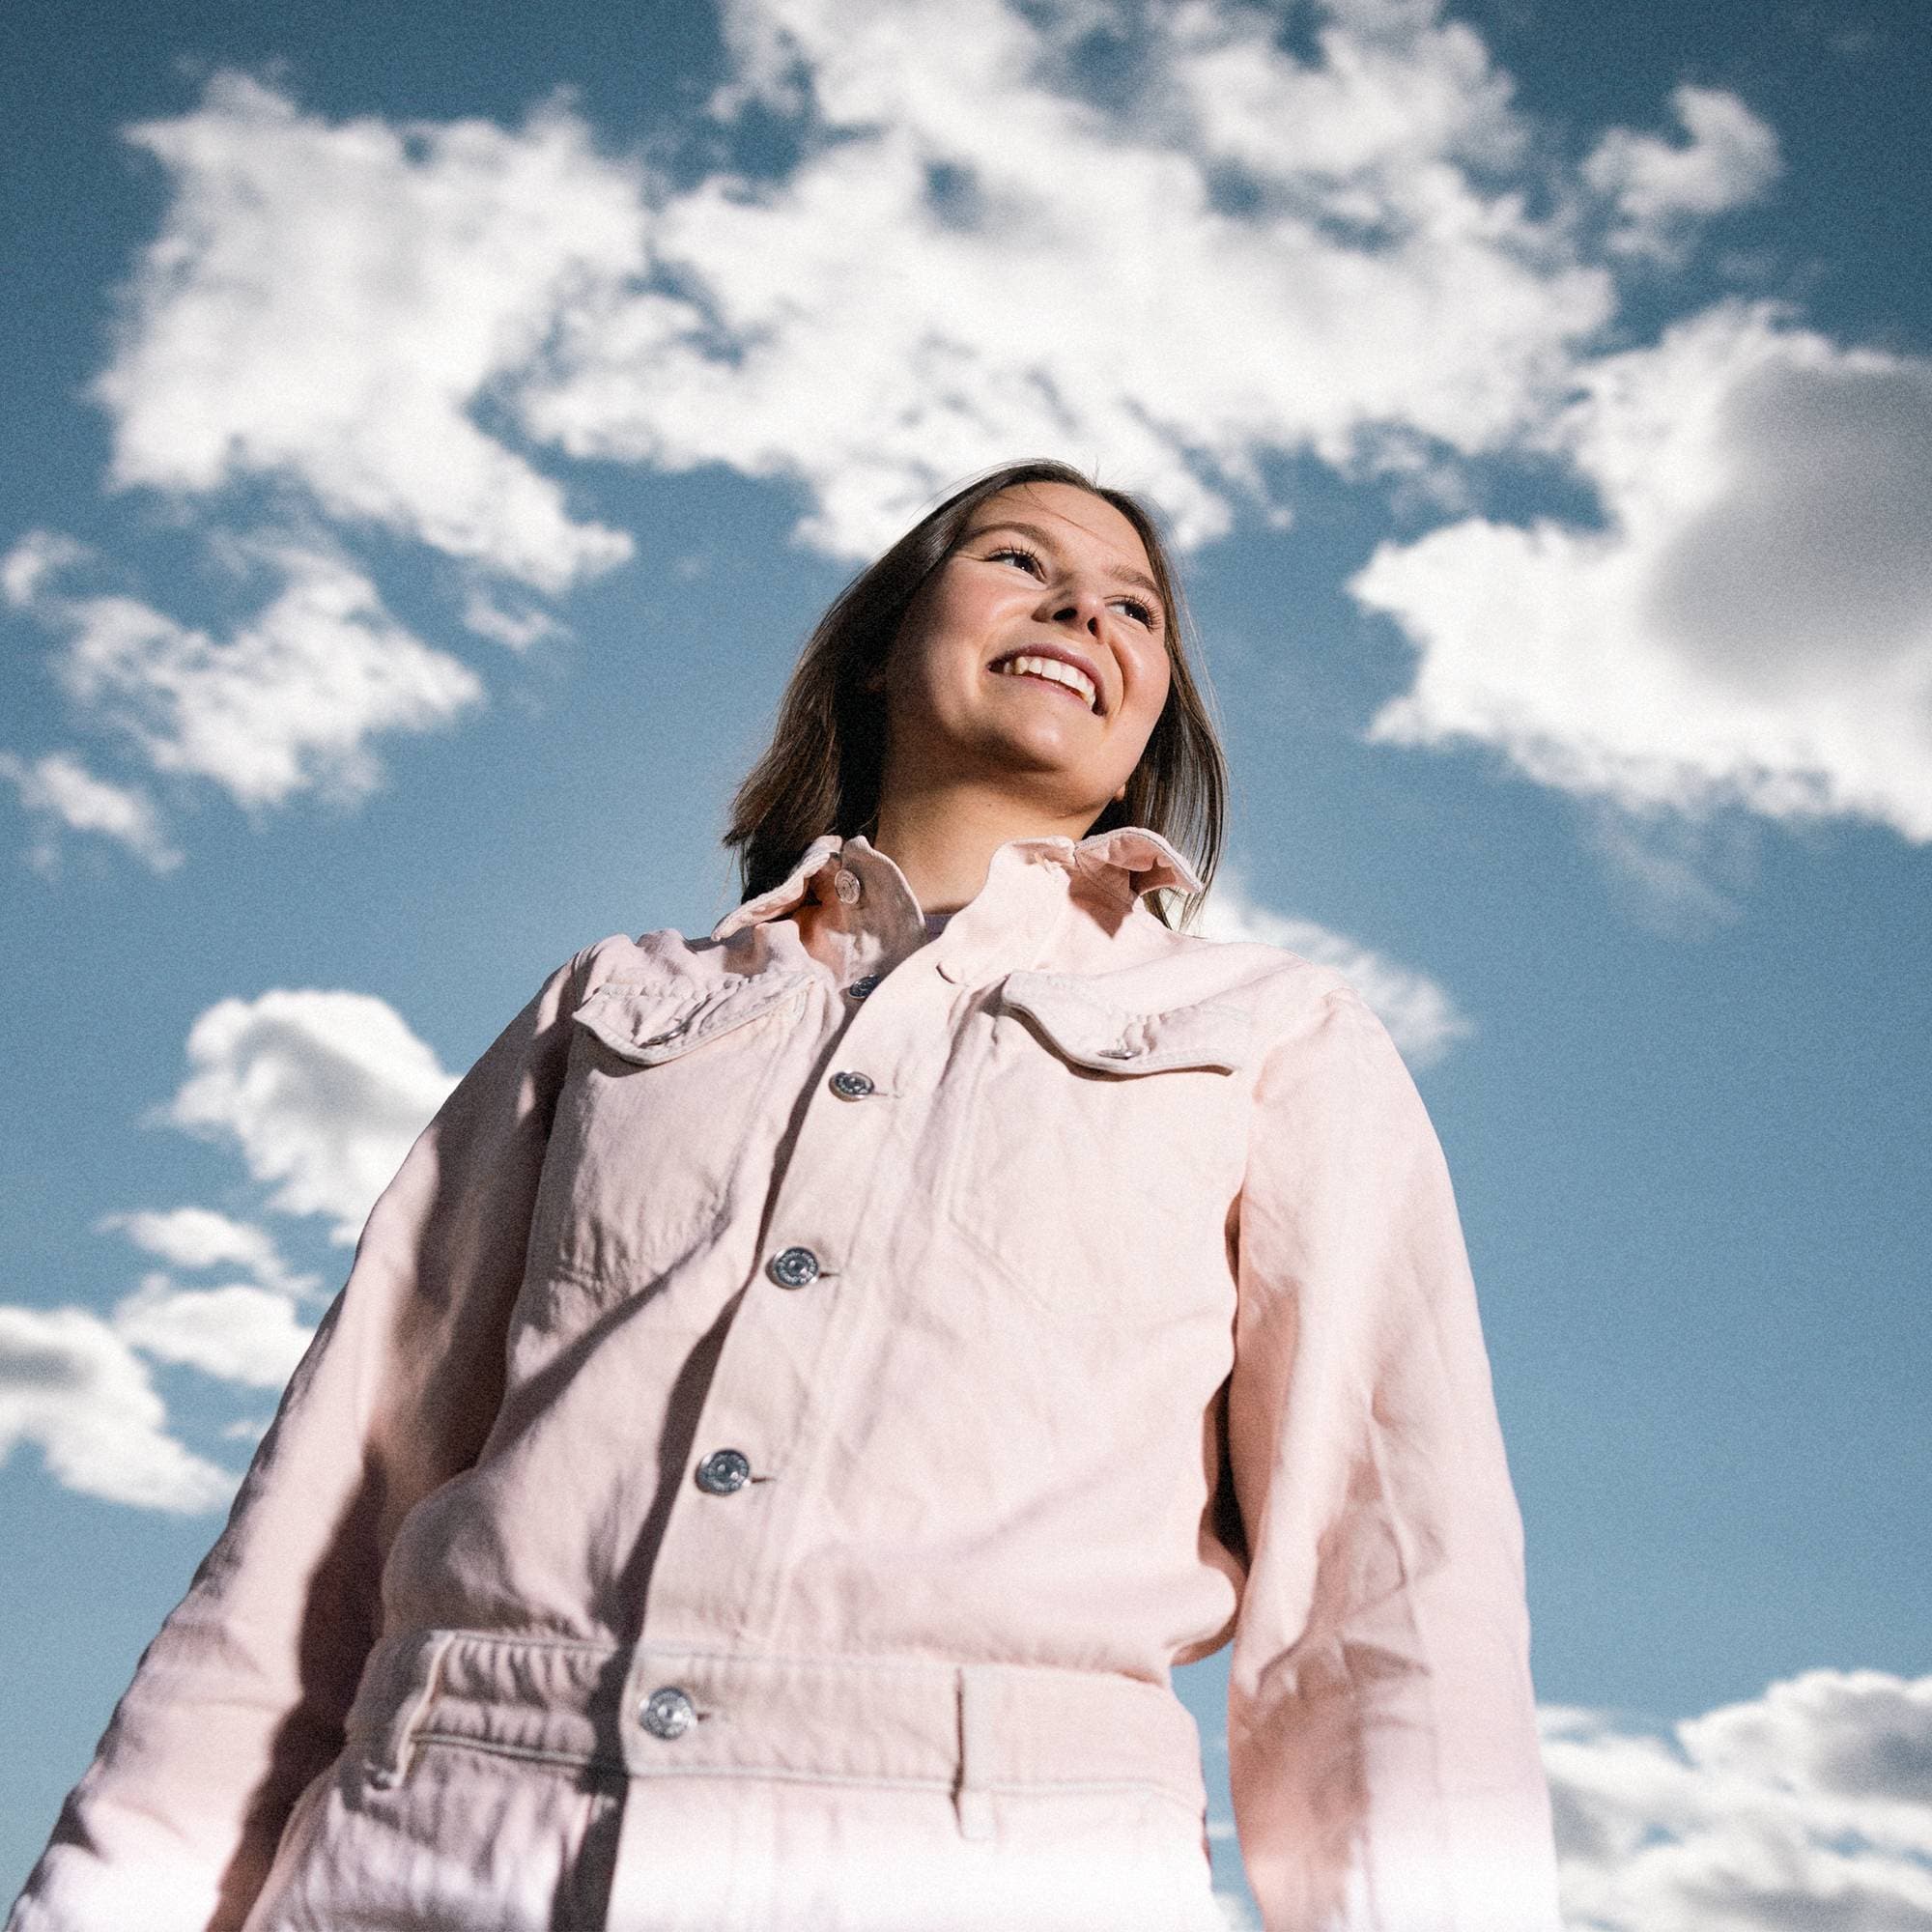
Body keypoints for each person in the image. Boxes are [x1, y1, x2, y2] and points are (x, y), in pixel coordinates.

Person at [7, 460, 1564, 1931]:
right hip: (429, 1855)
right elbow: (317, 1536)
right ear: (883, 647)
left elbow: (1388, 1603)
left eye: (1135, 606)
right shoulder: (606, 1008)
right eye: (1018, 560)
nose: (1085, 610)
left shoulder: (1274, 1039)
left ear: (1153, 707)